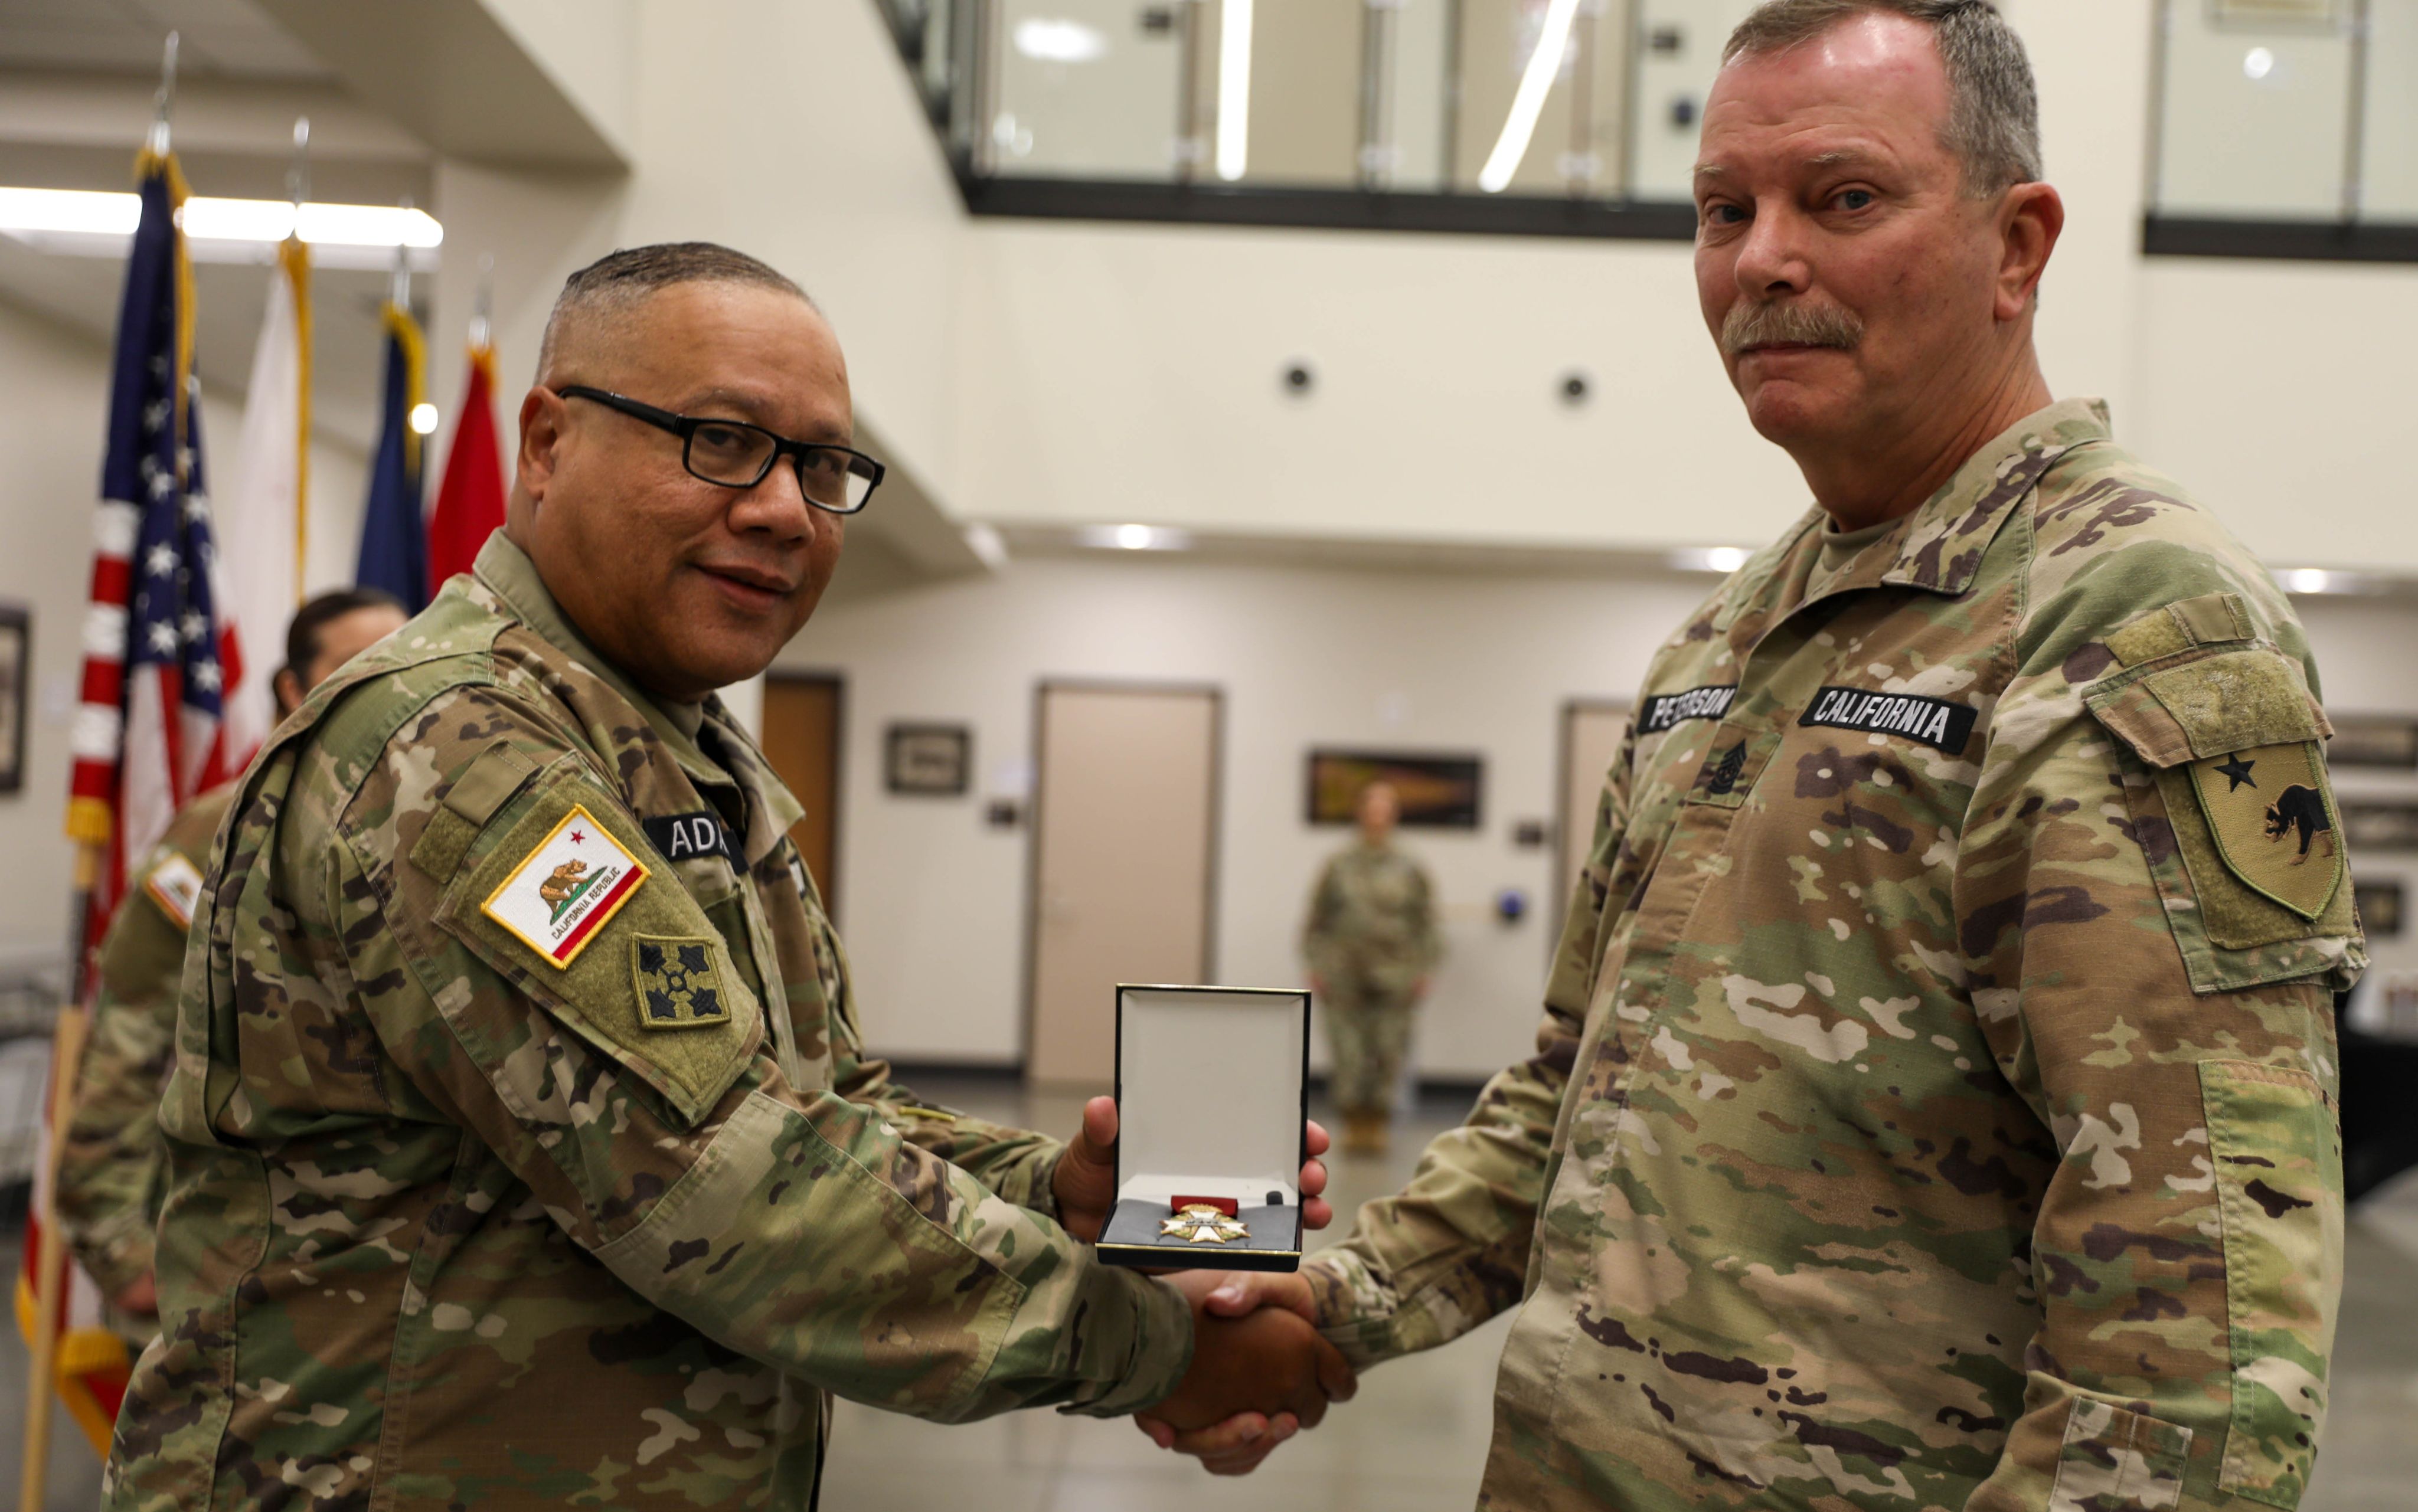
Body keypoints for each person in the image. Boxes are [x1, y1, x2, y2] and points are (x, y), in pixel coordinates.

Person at [1154, 4, 2360, 1507]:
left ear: (2017, 245)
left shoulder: (2127, 615)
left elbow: (2196, 1323)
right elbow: (1572, 1094)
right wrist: (1337, 1304)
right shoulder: (1732, 637)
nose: (1762, 261)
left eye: (1842, 199)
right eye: (1725, 211)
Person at [102, 243, 1351, 1510]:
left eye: (820, 467)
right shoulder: (453, 750)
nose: (783, 509)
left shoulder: (678, 752)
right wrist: (1161, 1348)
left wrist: (1056, 1190)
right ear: (544, 445)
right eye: (718, 440)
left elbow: (824, 1111)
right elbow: (732, 1184)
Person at [55, 587, 406, 1331]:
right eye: (357, 664)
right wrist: (119, 1250)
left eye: (402, 662)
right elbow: (129, 1038)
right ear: (293, 687)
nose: (386, 683)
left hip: (357, 1269)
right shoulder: (220, 831)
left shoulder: (410, 827)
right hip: (224, 1257)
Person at [1301, 781, 1440, 1156]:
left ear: (1393, 815)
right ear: (1361, 812)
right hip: (1343, 972)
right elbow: (1317, 918)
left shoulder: (1410, 865)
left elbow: (1427, 921)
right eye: (1372, 808)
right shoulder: (1339, 863)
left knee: (1388, 1050)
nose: (1378, 816)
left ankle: (1377, 1123)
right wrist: (1315, 964)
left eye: (1386, 808)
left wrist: (1425, 969)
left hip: (1396, 974)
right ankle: (1353, 1123)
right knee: (1348, 1052)